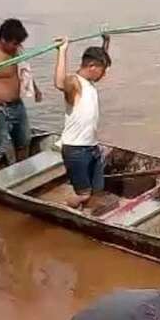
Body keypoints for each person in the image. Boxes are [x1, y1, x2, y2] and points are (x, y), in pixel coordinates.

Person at [0, 18, 42, 175]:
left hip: (17, 105)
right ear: (3, 40)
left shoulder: (16, 50)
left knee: (24, 141)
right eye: (14, 43)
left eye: (19, 43)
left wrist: (36, 88)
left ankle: (21, 175)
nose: (17, 47)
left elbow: (24, 70)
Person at [54, 36, 112, 208]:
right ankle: (62, 207)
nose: (104, 75)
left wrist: (106, 43)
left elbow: (100, 59)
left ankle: (84, 212)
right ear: (92, 66)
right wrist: (62, 50)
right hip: (76, 149)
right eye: (103, 70)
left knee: (97, 190)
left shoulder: (89, 83)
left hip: (92, 147)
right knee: (84, 195)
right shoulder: (75, 83)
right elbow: (59, 82)